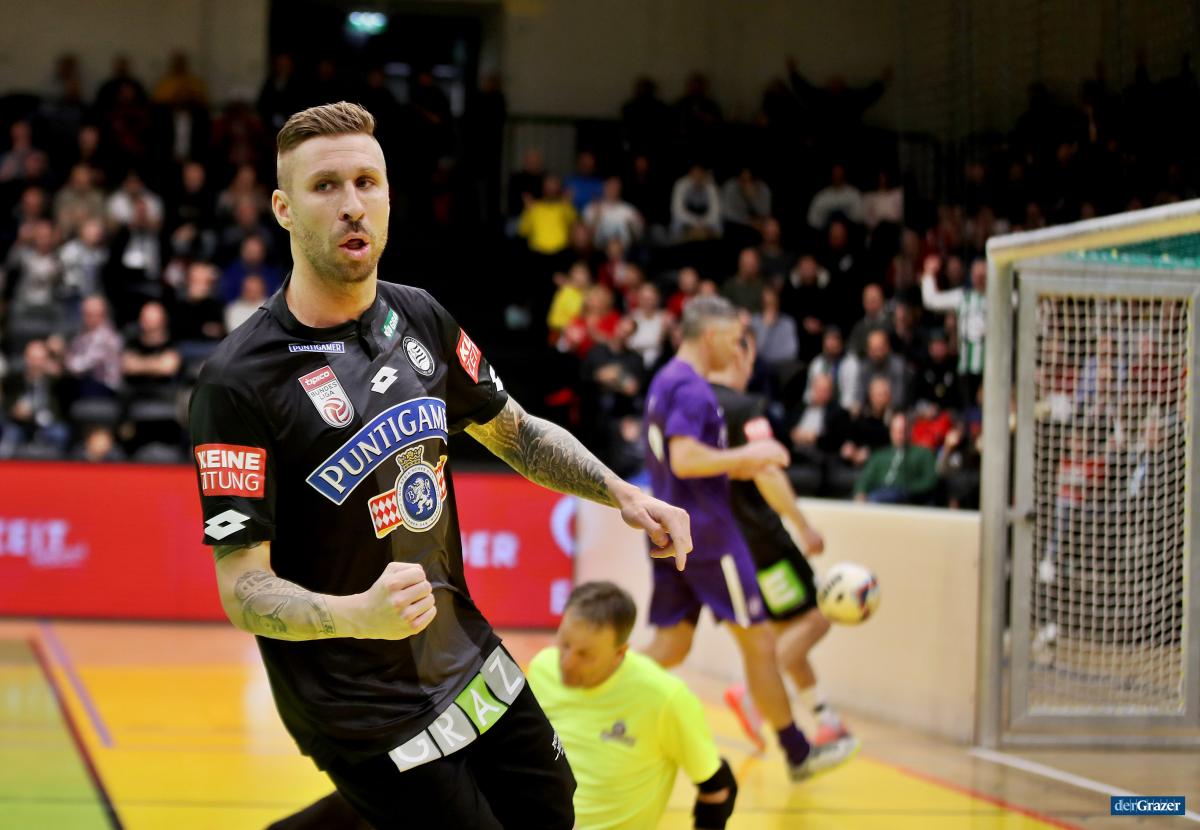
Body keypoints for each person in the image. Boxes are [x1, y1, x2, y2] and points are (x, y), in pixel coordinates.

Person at [188, 102, 691, 830]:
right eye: (326, 186)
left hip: (465, 655)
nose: (352, 204)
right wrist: (358, 615)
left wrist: (622, 493)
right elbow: (242, 588)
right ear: (283, 209)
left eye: (367, 182)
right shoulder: (238, 381)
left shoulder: (420, 316)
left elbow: (517, 434)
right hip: (356, 704)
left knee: (550, 809)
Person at [641, 295, 857, 779]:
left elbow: (684, 462)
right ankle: (798, 753)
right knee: (760, 644)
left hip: (671, 530)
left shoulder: (665, 380)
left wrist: (740, 462)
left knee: (672, 645)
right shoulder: (693, 389)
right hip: (708, 537)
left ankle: (597, 697)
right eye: (736, 338)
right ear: (712, 336)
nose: (739, 349)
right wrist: (749, 457)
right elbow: (685, 460)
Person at [707, 329, 853, 749]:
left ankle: (823, 716)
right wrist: (803, 525)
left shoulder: (698, 406)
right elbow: (768, 470)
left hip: (730, 540)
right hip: (763, 536)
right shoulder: (745, 408)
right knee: (818, 617)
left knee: (789, 627)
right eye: (750, 357)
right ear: (738, 357)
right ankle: (753, 694)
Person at [528, 582, 737, 830]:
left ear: (620, 653)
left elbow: (718, 788)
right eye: (564, 644)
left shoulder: (665, 698)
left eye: (585, 655)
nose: (567, 662)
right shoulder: (541, 668)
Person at [853, 412, 939, 504]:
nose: (900, 435)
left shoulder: (923, 454)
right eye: (896, 431)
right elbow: (865, 479)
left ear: (910, 430)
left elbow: (930, 481)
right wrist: (860, 492)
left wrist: (907, 489)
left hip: (906, 499)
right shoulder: (879, 456)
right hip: (877, 495)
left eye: (903, 430)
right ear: (891, 432)